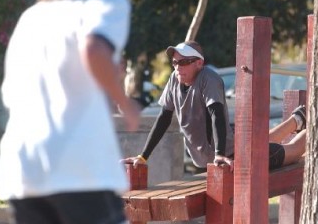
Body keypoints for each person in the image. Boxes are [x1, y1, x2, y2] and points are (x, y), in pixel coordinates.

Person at [0, 0, 139, 224]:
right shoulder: (106, 3)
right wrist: (125, 100)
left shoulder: (32, 18)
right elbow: (93, 49)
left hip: (23, 171)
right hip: (81, 170)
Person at [122, 40, 307, 172]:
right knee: (262, 143)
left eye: (184, 62)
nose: (178, 67)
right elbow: (163, 118)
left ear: (199, 63)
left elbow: (215, 113)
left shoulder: (208, 78)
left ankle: (316, 124)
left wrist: (219, 154)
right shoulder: (173, 80)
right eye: (175, 63)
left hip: (234, 157)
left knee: (295, 151)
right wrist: (143, 156)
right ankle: (297, 120)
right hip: (218, 156)